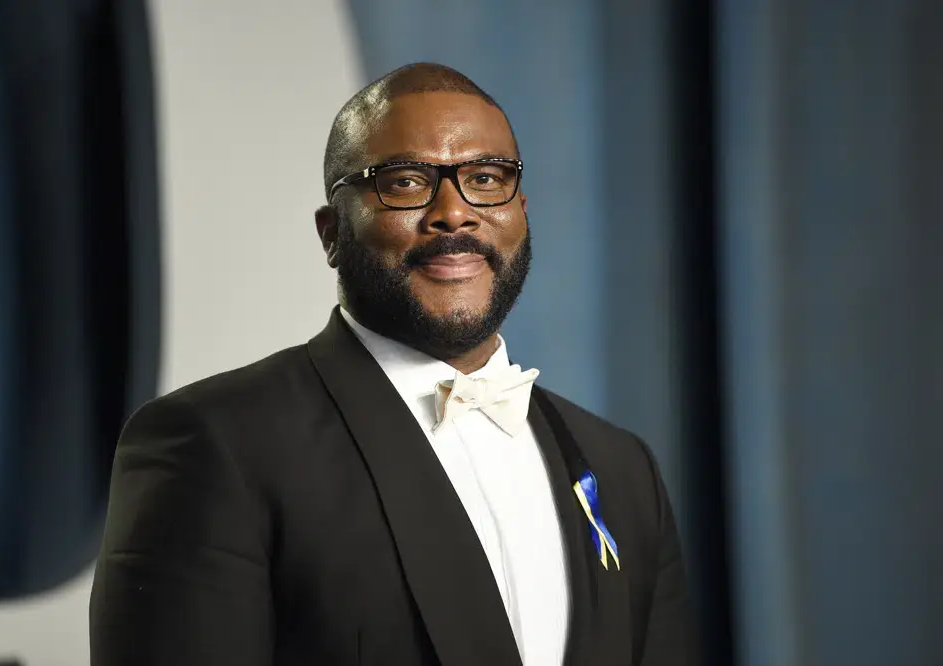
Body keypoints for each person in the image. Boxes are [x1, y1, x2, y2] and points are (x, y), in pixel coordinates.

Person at [89, 62, 697, 666]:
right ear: (332, 234)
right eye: (405, 182)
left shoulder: (622, 469)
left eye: (486, 178)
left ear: (522, 212)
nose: (454, 212)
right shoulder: (215, 442)